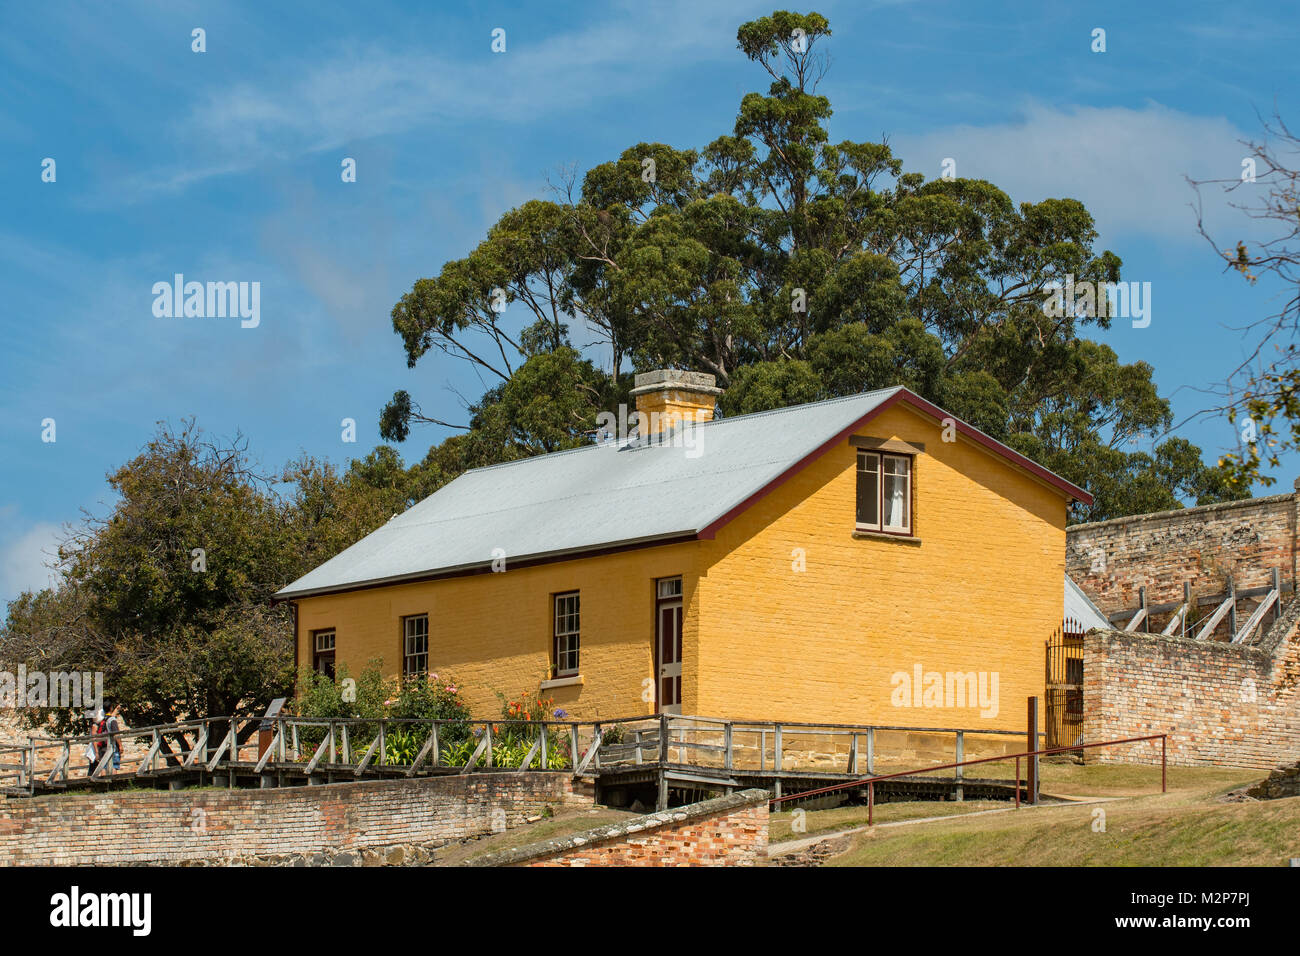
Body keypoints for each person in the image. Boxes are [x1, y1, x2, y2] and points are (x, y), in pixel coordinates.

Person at [85, 707, 105, 775]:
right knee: (93, 767)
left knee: (97, 766)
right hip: (94, 748)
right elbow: (94, 739)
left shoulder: (99, 725)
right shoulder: (95, 725)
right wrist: (96, 751)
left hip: (98, 747)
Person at [105, 703, 123, 772]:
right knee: (114, 766)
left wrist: (116, 709)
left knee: (104, 766)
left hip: (106, 746)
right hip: (114, 747)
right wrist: (120, 745)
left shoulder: (105, 718)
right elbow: (116, 734)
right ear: (110, 708)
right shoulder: (112, 720)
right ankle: (114, 782)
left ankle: (103, 782)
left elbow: (111, 716)